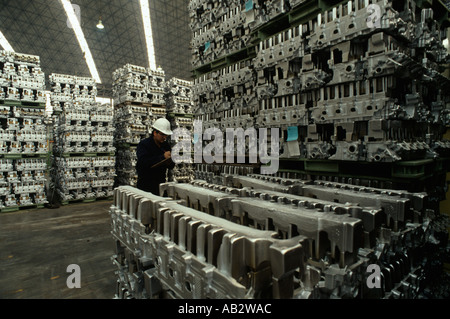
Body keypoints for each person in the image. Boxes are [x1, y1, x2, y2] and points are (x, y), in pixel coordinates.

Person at [136, 118, 175, 194]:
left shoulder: (166, 145)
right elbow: (143, 162)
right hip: (146, 184)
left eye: (166, 135)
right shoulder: (144, 144)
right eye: (162, 134)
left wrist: (170, 161)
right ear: (155, 133)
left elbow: (171, 166)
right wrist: (162, 157)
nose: (164, 137)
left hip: (160, 183)